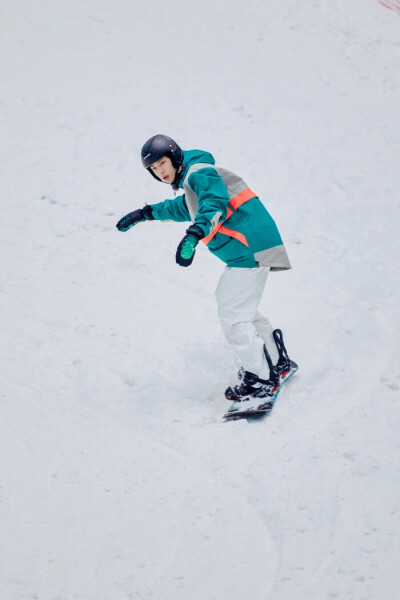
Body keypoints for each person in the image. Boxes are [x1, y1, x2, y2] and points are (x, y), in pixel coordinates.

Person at [116, 134, 297, 404]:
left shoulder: (199, 173)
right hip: (248, 248)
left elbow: (214, 203)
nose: (160, 171)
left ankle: (260, 378)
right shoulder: (192, 179)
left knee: (233, 316)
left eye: (163, 163)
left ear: (175, 157)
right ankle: (276, 360)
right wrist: (146, 213)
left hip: (250, 247)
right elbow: (183, 207)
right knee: (235, 306)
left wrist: (194, 235)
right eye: (154, 169)